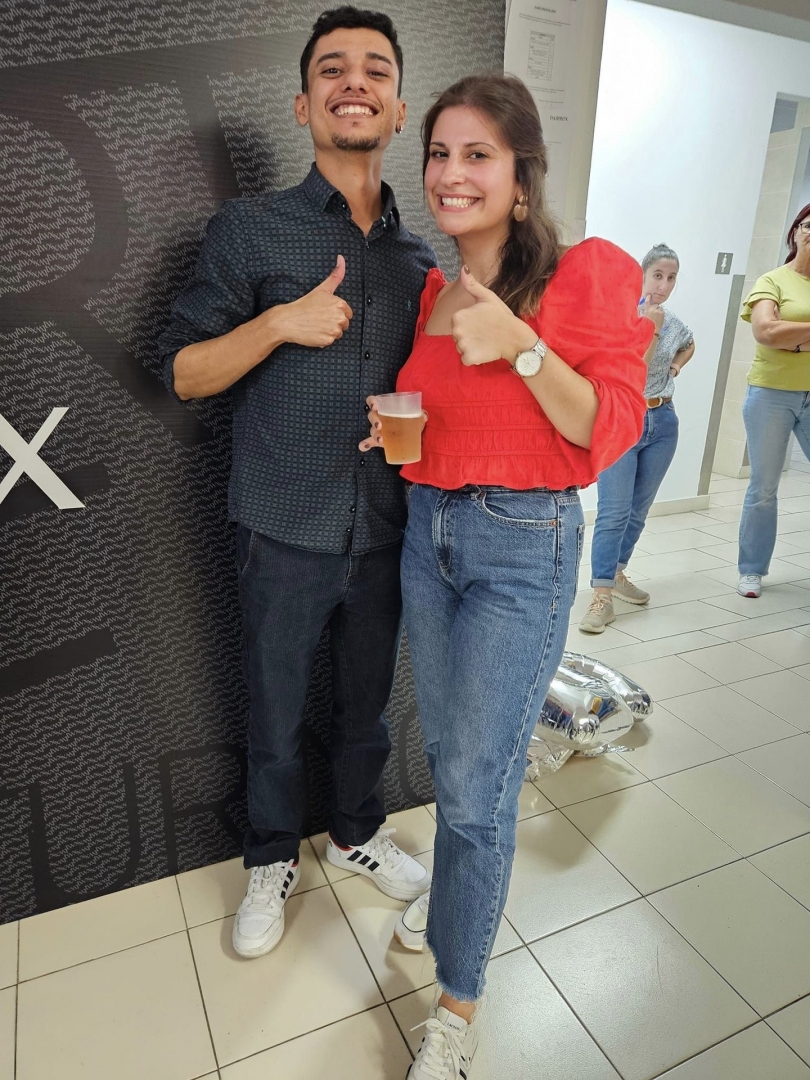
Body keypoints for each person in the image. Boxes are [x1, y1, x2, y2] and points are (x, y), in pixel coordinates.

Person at [360, 74, 650, 1079]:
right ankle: (454, 899)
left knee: (477, 790)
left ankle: (456, 1006)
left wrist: (524, 347)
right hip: (430, 533)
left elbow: (607, 429)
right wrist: (399, 437)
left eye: (477, 154)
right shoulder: (434, 294)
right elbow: (450, 424)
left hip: (523, 546)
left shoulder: (584, 275)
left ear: (522, 179)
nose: (451, 173)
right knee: (454, 759)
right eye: (439, 153)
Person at [158, 6, 435, 960]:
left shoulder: (420, 261)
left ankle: (356, 834)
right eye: (333, 69)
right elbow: (182, 372)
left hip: (387, 527)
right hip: (280, 525)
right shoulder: (251, 230)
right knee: (274, 715)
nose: (355, 81)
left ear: (399, 109)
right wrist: (279, 323)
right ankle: (270, 856)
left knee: (367, 710)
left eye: (376, 70)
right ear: (303, 103)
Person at [579, 243, 695, 633]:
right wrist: (652, 327)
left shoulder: (674, 322)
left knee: (638, 511)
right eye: (657, 275)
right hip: (623, 421)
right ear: (642, 275)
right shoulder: (622, 316)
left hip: (662, 421)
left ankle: (617, 572)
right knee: (613, 511)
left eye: (671, 278)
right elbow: (632, 368)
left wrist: (675, 367)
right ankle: (601, 596)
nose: (663, 285)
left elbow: (689, 343)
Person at [737, 203, 810, 598]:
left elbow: (780, 332)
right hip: (771, 395)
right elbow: (765, 331)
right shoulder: (773, 280)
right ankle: (752, 570)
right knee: (764, 487)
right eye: (808, 225)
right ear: (795, 231)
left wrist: (792, 337)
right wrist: (788, 336)